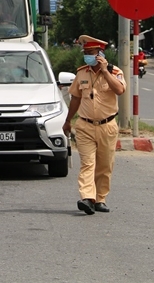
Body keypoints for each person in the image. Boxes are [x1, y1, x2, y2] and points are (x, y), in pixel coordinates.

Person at [63, 35, 126, 215]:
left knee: (105, 165)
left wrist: (105, 71)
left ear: (100, 53)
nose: (87, 56)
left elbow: (120, 90)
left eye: (90, 52)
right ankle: (87, 198)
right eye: (85, 53)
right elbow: (75, 98)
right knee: (88, 163)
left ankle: (100, 199)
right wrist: (68, 121)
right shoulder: (81, 73)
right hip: (85, 126)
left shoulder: (115, 72)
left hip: (107, 125)